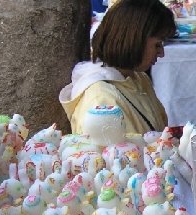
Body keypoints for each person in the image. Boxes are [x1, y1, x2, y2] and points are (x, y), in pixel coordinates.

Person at [60, 0, 176, 135]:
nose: (161, 53)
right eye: (157, 44)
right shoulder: (101, 100)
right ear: (134, 40)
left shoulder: (138, 78)